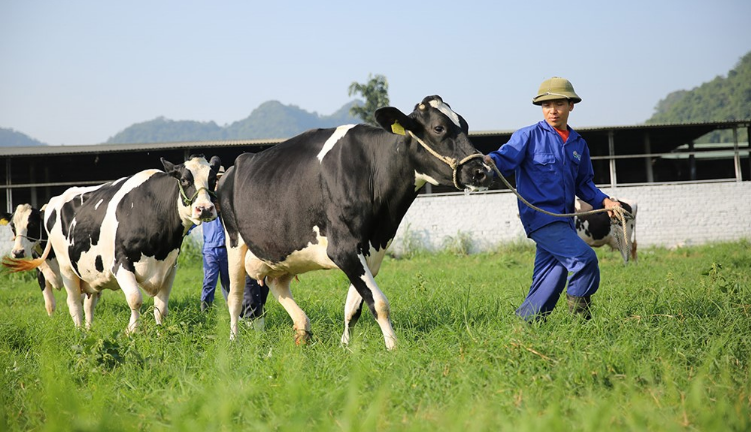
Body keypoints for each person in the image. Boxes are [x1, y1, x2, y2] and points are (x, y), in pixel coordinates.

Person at [484, 77, 622, 321]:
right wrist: (485, 163)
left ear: (571, 105)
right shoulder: (527, 136)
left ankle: (526, 322)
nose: (552, 110)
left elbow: (584, 184)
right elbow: (502, 159)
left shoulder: (579, 143)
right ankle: (581, 321)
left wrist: (606, 201)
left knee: (554, 272)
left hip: (566, 221)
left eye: (558, 103)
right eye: (546, 105)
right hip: (541, 218)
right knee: (584, 259)